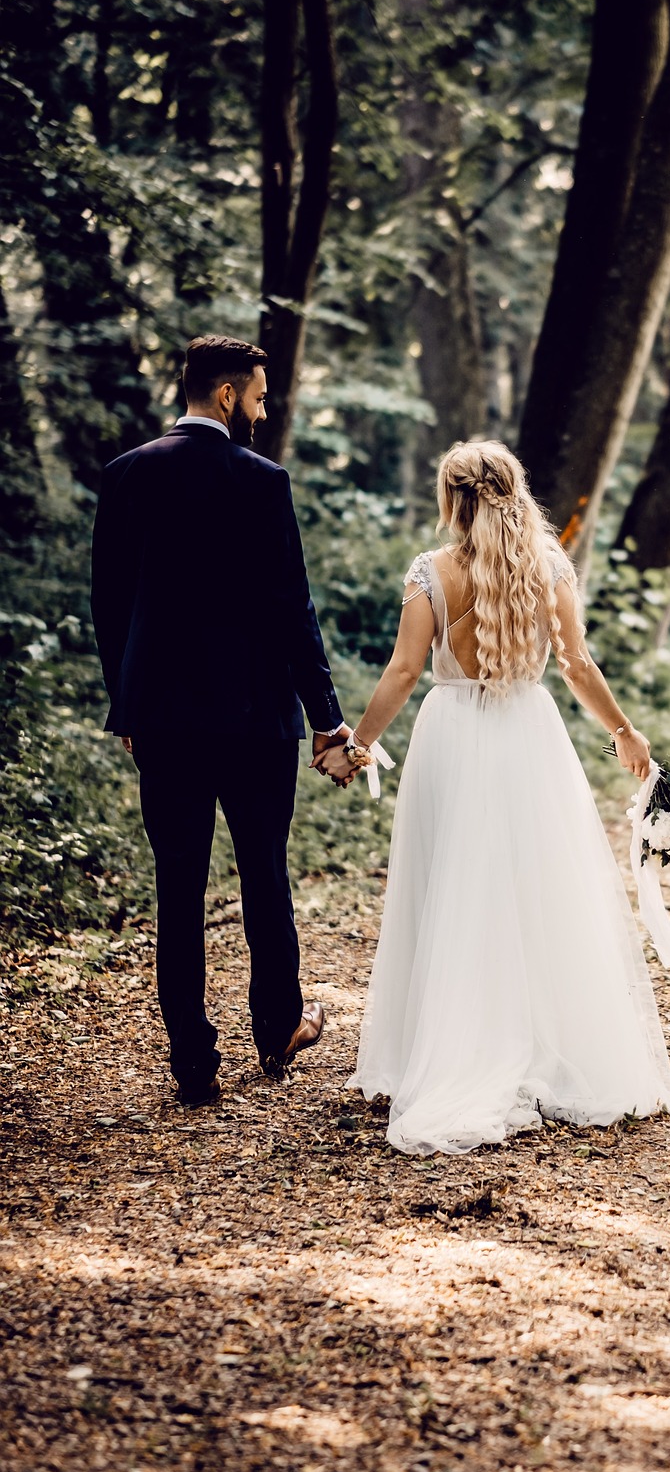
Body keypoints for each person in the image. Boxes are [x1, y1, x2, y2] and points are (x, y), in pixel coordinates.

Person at [317, 439, 670, 1155]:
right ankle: (546, 1046)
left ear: (453, 498)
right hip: (528, 734)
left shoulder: (433, 573)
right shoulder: (547, 569)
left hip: (451, 734)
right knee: (538, 888)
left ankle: (447, 1048)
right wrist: (625, 731)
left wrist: (355, 743)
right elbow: (575, 663)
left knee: (448, 884)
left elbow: (403, 669)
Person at [90, 335, 350, 1105]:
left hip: (163, 719)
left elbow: (110, 607)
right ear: (228, 395)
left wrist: (125, 704)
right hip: (254, 718)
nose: (264, 412)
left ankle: (193, 1063)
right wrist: (327, 717)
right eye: (260, 397)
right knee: (264, 873)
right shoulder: (261, 481)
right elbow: (291, 608)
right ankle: (278, 1030)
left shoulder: (127, 474)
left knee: (179, 884)